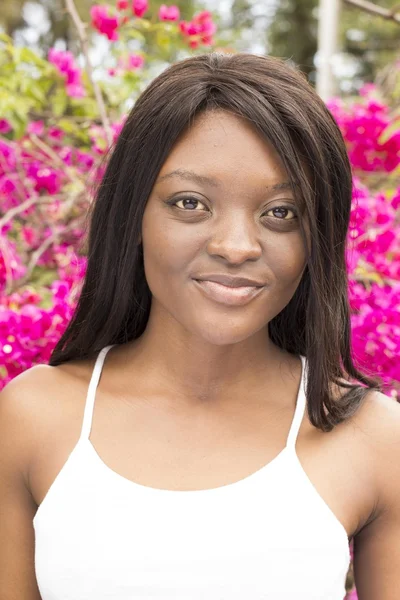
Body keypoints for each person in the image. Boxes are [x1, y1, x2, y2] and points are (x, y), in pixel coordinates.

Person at [0, 51, 399, 600]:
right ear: (133, 213)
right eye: (190, 203)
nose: (236, 246)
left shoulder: (373, 440)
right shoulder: (31, 418)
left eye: (281, 212)